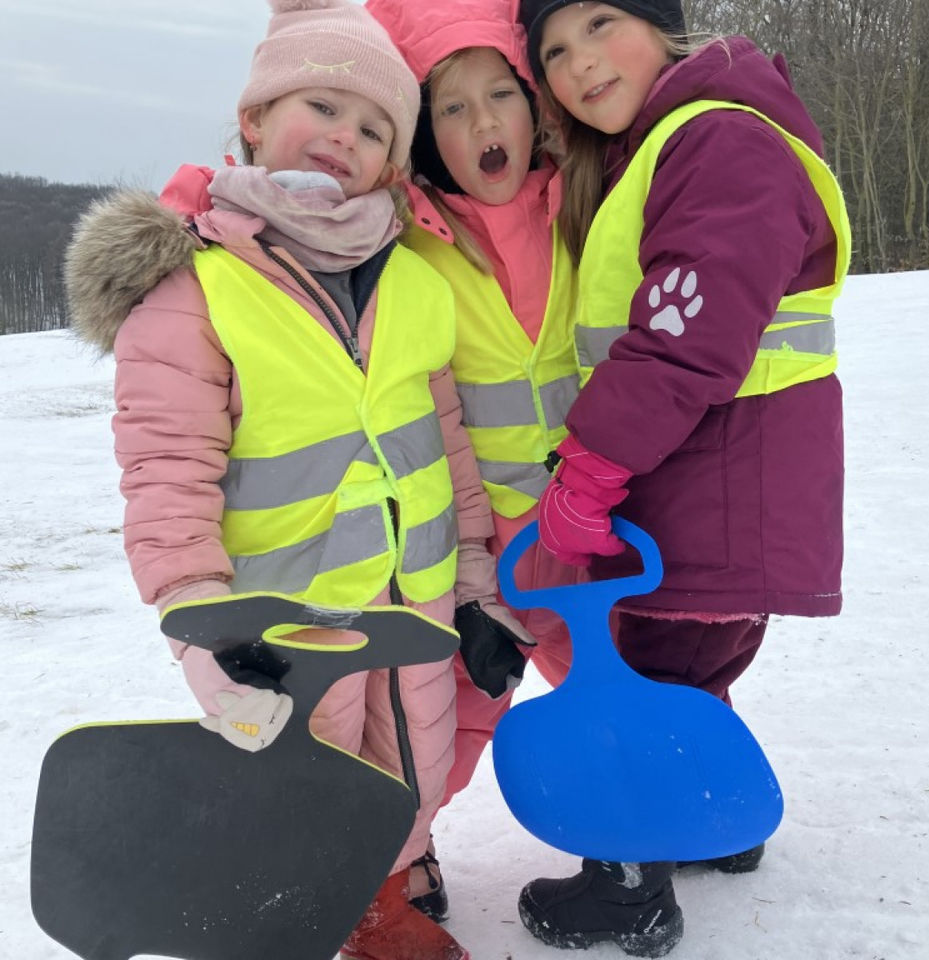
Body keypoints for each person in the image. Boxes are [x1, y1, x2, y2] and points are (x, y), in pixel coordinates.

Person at [62, 1, 538, 956]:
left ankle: (386, 884)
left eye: (373, 128)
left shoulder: (411, 279)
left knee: (416, 758)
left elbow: (448, 440)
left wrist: (479, 581)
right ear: (253, 118)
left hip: (418, 600)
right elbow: (166, 482)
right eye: (323, 105)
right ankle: (323, 902)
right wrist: (207, 630)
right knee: (306, 772)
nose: (344, 138)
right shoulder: (193, 287)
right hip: (285, 621)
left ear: (393, 164)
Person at [511, 0, 851, 955]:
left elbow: (680, 339)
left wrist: (587, 472)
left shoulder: (719, 138)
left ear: (666, 25)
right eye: (555, 52)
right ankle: (714, 820)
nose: (580, 64)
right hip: (718, 483)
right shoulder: (671, 141)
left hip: (717, 484)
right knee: (691, 672)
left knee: (641, 676)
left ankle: (624, 887)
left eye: (600, 25)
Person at [366, 0, 582, 921]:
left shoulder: (589, 204)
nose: (483, 122)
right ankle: (390, 856)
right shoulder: (405, 240)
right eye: (451, 109)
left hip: (596, 522)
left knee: (643, 672)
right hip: (476, 542)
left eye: (501, 94)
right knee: (443, 720)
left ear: (537, 109)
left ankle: (678, 803)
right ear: (424, 136)